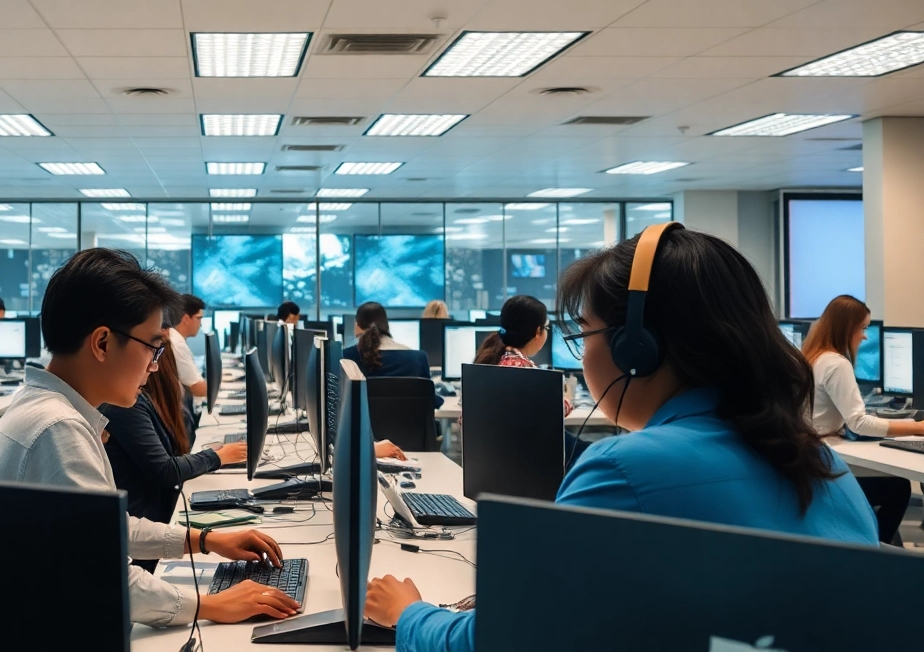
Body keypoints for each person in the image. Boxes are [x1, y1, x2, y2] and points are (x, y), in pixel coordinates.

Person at [364, 225, 877, 651]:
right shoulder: (829, 470)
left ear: (638, 349)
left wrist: (410, 615)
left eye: (583, 333)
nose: (581, 355)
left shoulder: (624, 470)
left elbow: (508, 639)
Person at [0, 248, 300, 627]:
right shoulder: (57, 428)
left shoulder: (48, 408)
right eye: (152, 346)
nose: (155, 364)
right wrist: (210, 605)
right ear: (102, 343)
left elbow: (107, 527)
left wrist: (204, 539)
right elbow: (106, 576)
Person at [102, 315, 247, 571]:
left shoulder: (144, 401)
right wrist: (216, 457)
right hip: (149, 531)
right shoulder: (126, 405)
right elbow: (165, 470)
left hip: (156, 526)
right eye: (152, 355)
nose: (154, 367)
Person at [804, 295, 919, 543]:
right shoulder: (836, 363)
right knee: (899, 488)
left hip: (811, 459)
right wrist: (918, 428)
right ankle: (875, 551)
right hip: (824, 463)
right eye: (862, 328)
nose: (864, 336)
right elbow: (859, 422)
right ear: (847, 328)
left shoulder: (812, 357)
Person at [475, 295, 588, 466]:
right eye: (547, 328)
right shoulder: (523, 369)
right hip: (528, 463)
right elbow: (560, 409)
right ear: (537, 332)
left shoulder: (488, 360)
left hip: (495, 463)